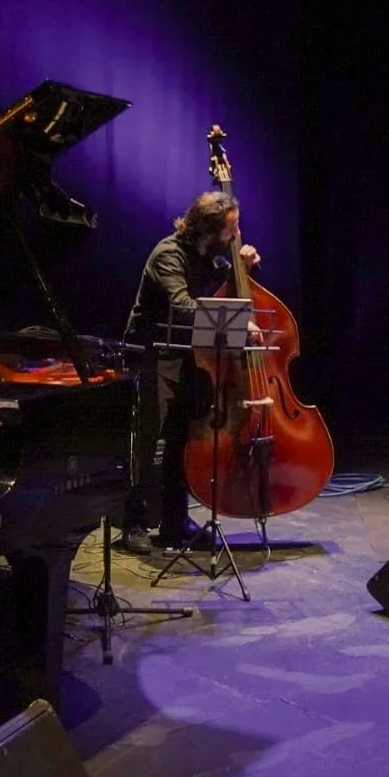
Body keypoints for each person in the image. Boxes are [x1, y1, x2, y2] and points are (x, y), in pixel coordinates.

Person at [119, 191, 261, 554]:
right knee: (148, 443)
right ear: (209, 231)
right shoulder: (168, 254)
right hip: (150, 354)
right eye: (232, 230)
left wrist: (245, 270)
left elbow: (230, 291)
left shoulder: (210, 256)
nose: (237, 236)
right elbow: (182, 306)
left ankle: (174, 521)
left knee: (181, 437)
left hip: (184, 355)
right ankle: (132, 522)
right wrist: (238, 323)